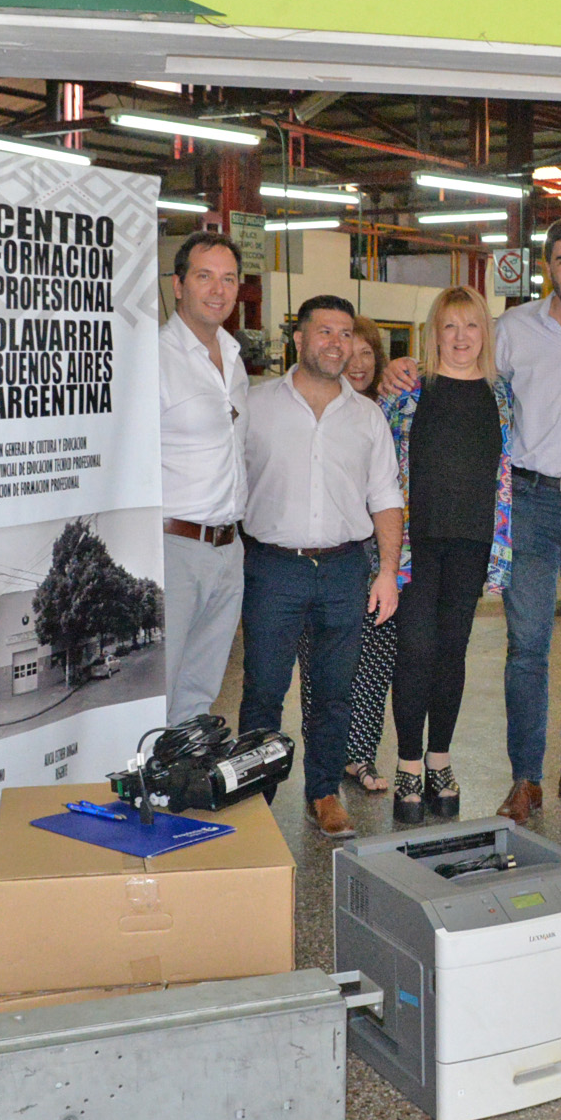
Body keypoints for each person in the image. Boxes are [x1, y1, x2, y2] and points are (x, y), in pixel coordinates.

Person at [385, 216, 561, 822]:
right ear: (547, 266)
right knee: (526, 646)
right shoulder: (513, 329)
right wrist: (396, 368)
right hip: (530, 502)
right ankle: (524, 778)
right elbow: (451, 358)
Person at [240, 295, 403, 838]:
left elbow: (385, 497)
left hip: (343, 570)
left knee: (335, 690)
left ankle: (324, 793)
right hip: (273, 568)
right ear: (299, 339)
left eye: (345, 333)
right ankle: (254, 798)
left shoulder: (367, 416)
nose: (337, 343)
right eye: (325, 332)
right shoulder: (256, 405)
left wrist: (386, 571)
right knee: (263, 690)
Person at [381, 287, 515, 825]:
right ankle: (408, 763)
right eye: (450, 327)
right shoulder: (408, 391)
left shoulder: (501, 395)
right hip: (415, 544)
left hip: (473, 541)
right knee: (415, 649)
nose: (461, 338)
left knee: (452, 652)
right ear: (433, 334)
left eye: (471, 326)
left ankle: (440, 759)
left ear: (485, 334)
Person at [300, 314, 395, 795]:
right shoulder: (313, 406)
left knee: (374, 660)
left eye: (367, 354)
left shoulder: (391, 408)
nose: (357, 363)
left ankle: (359, 755)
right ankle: (322, 759)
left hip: (381, 558)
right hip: (324, 556)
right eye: (348, 352)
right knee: (319, 663)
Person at [158, 232, 248, 725]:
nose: (218, 290)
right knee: (159, 685)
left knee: (200, 690)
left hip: (229, 548)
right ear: (178, 285)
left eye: (228, 278)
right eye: (204, 276)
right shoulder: (154, 357)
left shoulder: (233, 359)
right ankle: (146, 772)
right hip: (173, 547)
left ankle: (183, 767)